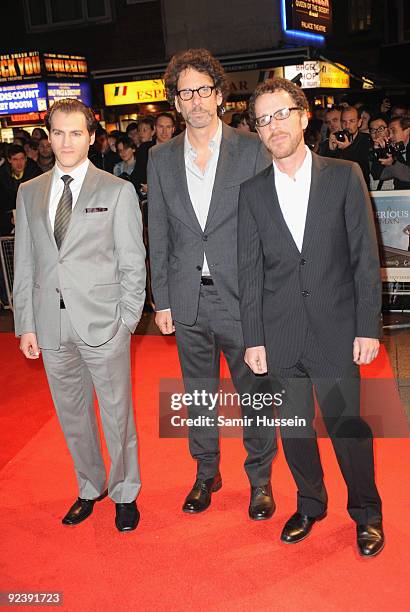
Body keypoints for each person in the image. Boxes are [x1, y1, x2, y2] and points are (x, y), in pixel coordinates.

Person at [237, 77, 384, 557]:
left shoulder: (344, 175)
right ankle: (310, 503)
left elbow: (365, 256)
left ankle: (366, 512)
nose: (274, 126)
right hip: (280, 334)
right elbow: (249, 269)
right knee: (296, 428)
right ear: (257, 130)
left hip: (336, 328)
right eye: (263, 119)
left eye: (281, 114)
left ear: (304, 117)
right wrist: (253, 338)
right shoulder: (252, 192)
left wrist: (367, 325)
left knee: (347, 428)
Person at [148, 48, 276, 519]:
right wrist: (162, 299)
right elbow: (157, 231)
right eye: (186, 93)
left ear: (219, 96)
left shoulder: (251, 148)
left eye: (204, 90)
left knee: (255, 395)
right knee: (198, 395)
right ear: (176, 103)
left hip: (243, 299)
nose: (196, 100)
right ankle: (206, 473)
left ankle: (260, 480)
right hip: (188, 299)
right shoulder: (159, 158)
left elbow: (270, 223)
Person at [13, 99, 146, 532]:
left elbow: (132, 261)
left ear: (92, 136)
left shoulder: (115, 190)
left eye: (76, 133)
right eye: (58, 132)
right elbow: (26, 263)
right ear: (48, 137)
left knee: (116, 414)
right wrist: (26, 323)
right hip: (51, 326)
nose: (66, 141)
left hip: (103, 324)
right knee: (72, 415)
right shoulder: (28, 191)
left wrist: (126, 319)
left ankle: (125, 491)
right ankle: (90, 487)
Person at [0, 144, 42, 235]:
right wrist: (10, 217)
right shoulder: (2, 176)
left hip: (32, 215)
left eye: (22, 158)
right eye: (15, 159)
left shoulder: (35, 173)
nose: (19, 163)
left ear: (26, 159)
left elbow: (40, 198)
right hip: (8, 218)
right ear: (9, 160)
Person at [325, 106, 371, 187]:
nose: (347, 125)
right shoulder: (334, 140)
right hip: (338, 189)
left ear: (359, 122)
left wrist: (347, 150)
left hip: (359, 188)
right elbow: (328, 171)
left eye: (352, 121)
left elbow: (363, 170)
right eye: (344, 121)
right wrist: (331, 151)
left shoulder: (367, 140)